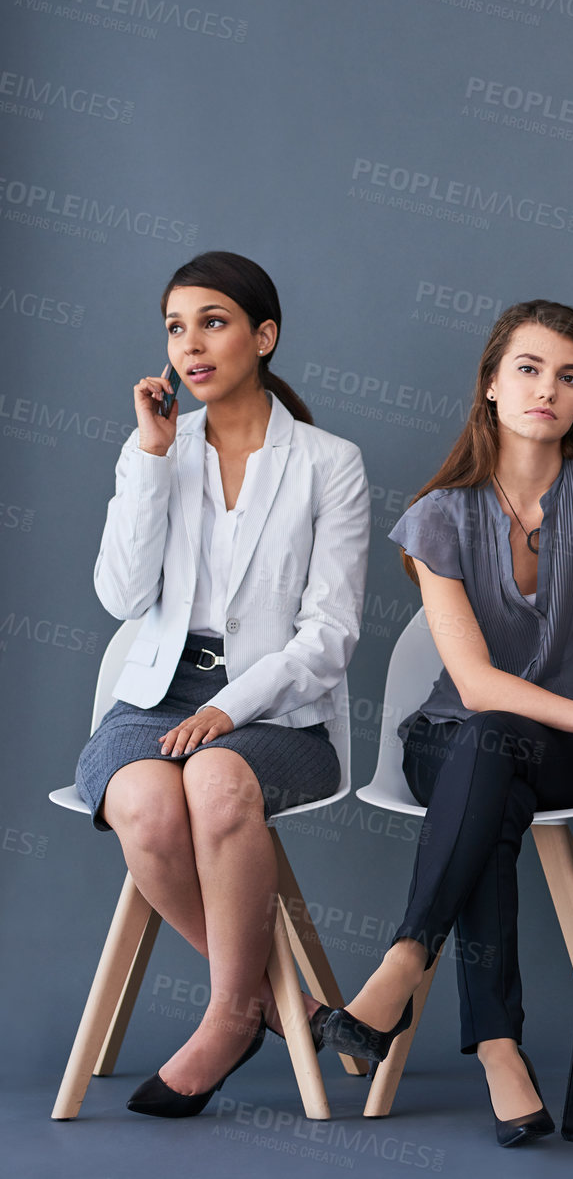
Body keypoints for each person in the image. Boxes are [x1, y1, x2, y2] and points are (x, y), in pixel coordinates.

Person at [319, 301, 573, 1148]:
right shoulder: (438, 515)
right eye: (528, 368)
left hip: (569, 752)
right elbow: (473, 685)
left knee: (495, 772)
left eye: (569, 377)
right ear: (489, 384)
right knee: (488, 762)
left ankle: (404, 968)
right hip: (453, 738)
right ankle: (499, 1046)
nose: (548, 388)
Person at [77, 251, 369, 1117]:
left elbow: (332, 635)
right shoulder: (163, 449)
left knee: (212, 776)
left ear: (264, 335)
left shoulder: (330, 462)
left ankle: (230, 1015)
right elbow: (122, 597)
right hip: (154, 697)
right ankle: (273, 1007)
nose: (191, 344)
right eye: (176, 327)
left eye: (213, 321)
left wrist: (226, 709)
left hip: (278, 709)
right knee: (144, 803)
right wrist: (149, 456)